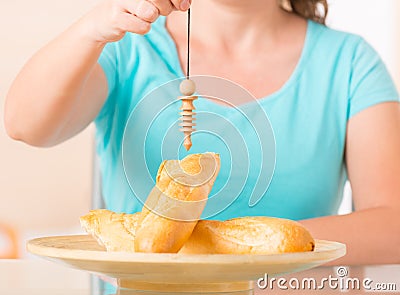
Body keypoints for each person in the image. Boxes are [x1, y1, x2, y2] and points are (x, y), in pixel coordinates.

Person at [4, 0, 400, 265]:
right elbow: (25, 125)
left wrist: (234, 251)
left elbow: (391, 226)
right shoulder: (127, 46)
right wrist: (93, 27)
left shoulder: (349, 62)